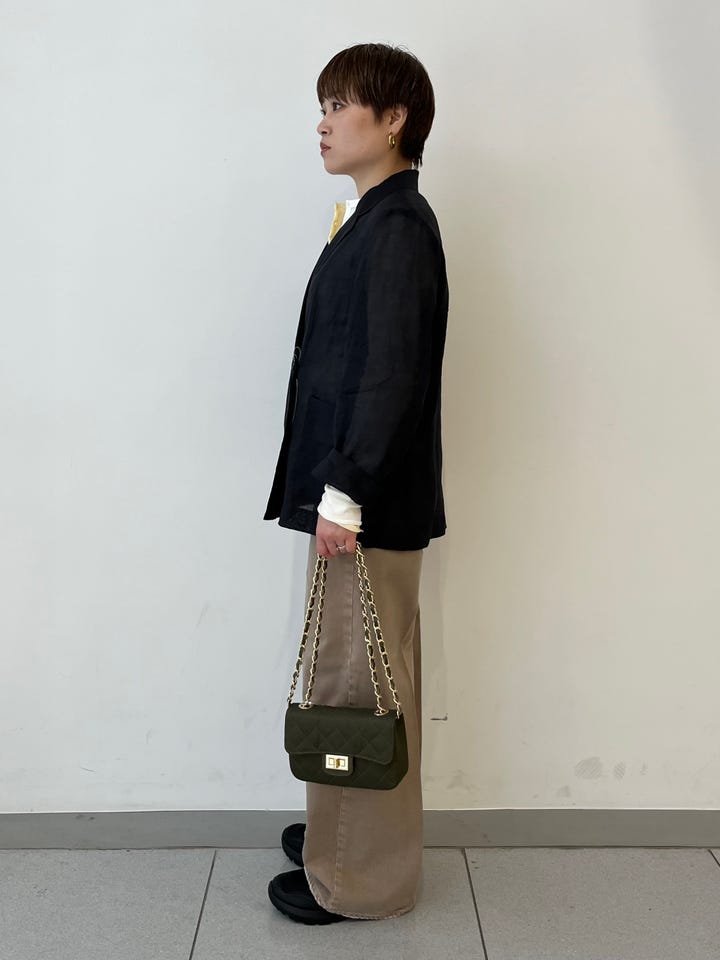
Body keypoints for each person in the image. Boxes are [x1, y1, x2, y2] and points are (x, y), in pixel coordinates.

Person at [264, 42, 449, 923]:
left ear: (395, 118)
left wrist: (344, 493)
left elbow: (389, 374)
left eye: (340, 104)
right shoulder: (375, 218)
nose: (323, 122)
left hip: (361, 506)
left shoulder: (398, 227)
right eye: (323, 104)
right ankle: (340, 834)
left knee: (359, 688)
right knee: (358, 680)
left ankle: (360, 880)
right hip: (358, 501)